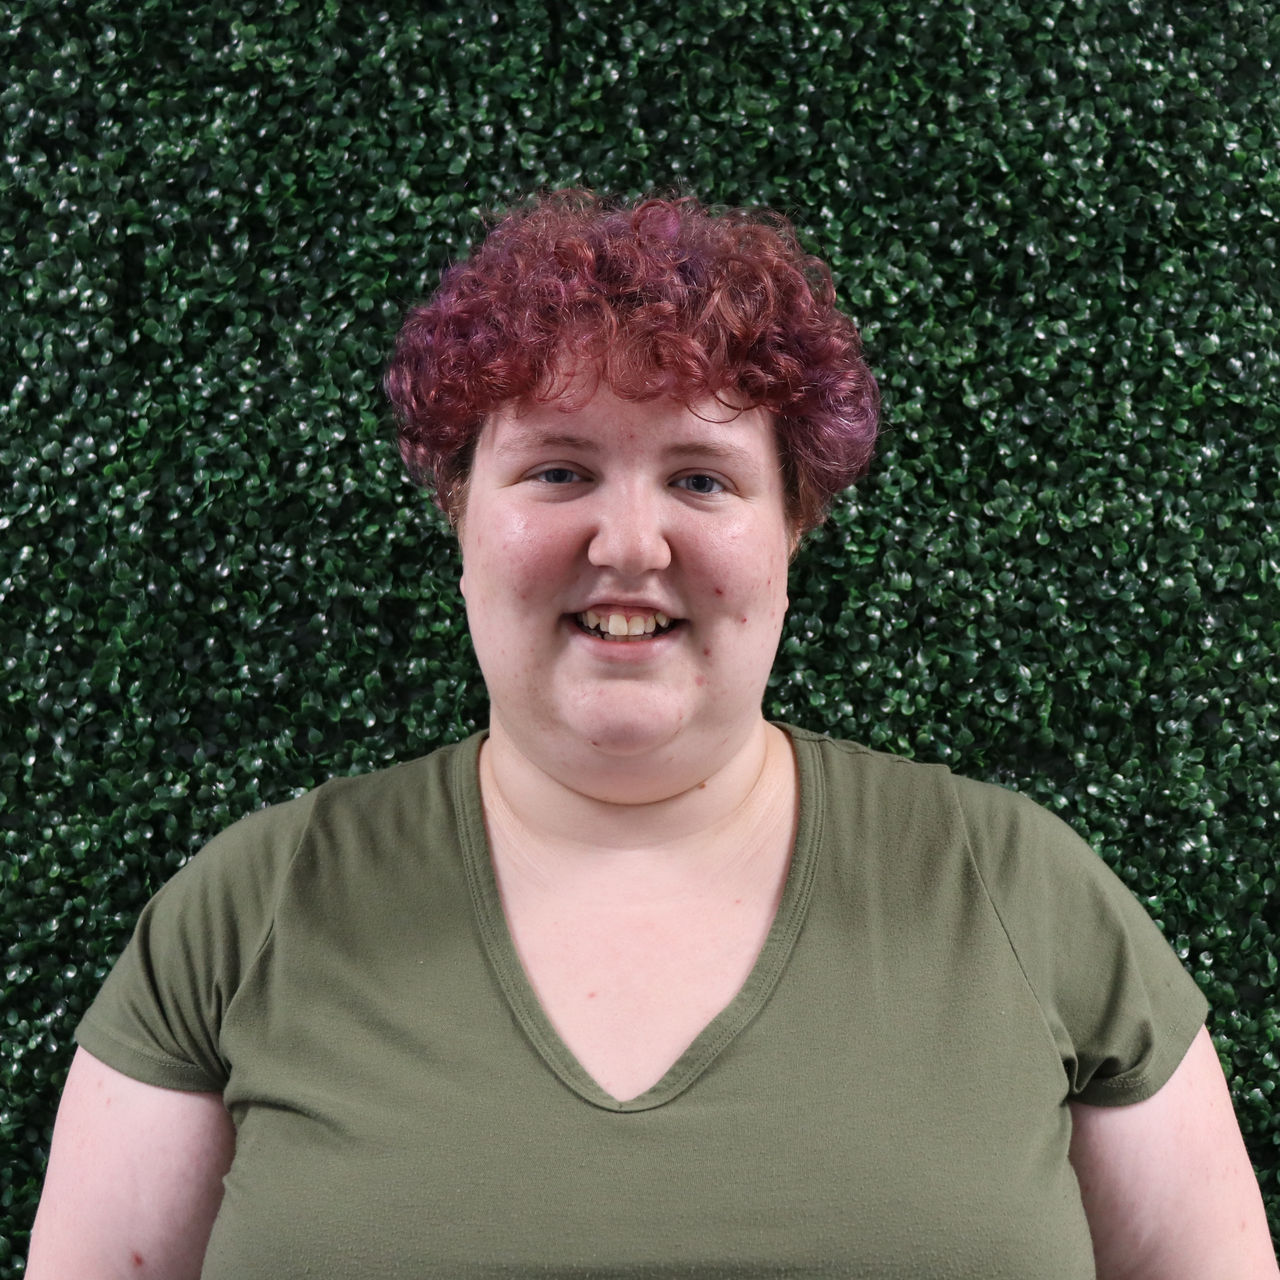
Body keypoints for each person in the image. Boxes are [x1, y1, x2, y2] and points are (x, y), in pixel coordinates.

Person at [28, 190, 1278, 1278]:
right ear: (460, 514)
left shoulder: (1016, 890)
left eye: (700, 477)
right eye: (558, 470)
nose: (628, 543)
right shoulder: (245, 914)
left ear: (790, 528)